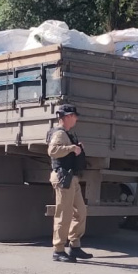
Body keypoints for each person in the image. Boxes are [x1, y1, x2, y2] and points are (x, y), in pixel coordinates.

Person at [47, 104, 93, 263]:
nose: (76, 118)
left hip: (71, 178)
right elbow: (53, 151)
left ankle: (74, 246)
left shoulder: (67, 134)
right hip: (63, 177)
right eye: (74, 115)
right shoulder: (59, 134)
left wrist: (76, 148)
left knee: (80, 211)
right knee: (63, 214)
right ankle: (58, 250)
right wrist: (72, 148)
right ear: (66, 117)